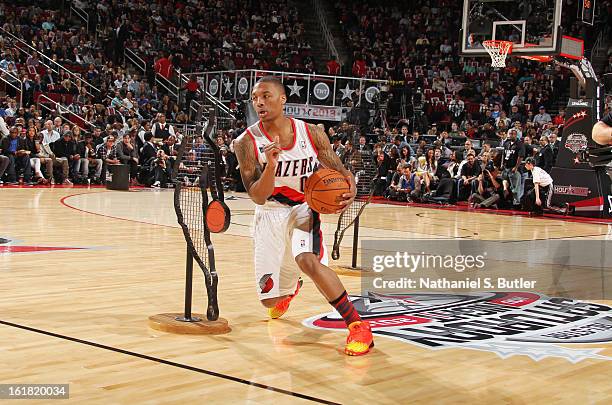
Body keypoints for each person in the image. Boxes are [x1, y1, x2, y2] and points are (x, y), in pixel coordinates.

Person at [234, 77, 373, 356]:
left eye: (266, 95)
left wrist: (350, 187)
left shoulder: (312, 133)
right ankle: (291, 287)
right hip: (269, 211)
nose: (259, 102)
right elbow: (258, 196)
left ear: (283, 99)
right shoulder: (246, 143)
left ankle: (357, 326)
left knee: (308, 261)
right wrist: (270, 167)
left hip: (303, 208)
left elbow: (339, 170)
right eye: (254, 98)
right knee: (271, 301)